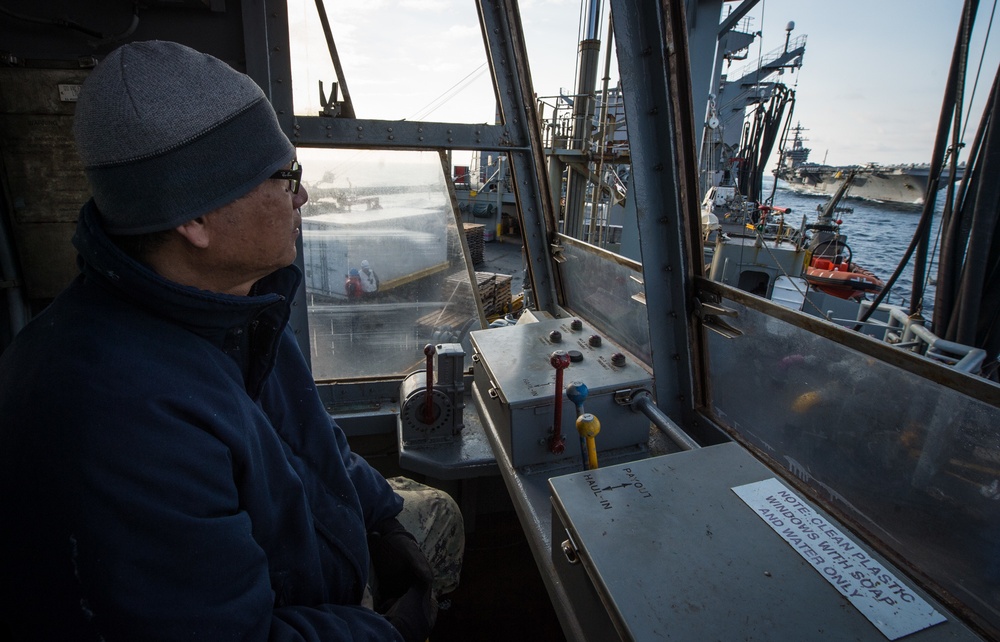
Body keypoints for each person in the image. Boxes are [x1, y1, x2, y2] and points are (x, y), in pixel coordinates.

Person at [0, 40, 462, 641]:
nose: (301, 196)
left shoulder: (236, 307)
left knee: (435, 514)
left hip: (318, 577)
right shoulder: (122, 418)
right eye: (284, 175)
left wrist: (382, 519)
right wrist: (386, 633)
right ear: (195, 216)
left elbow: (315, 443)